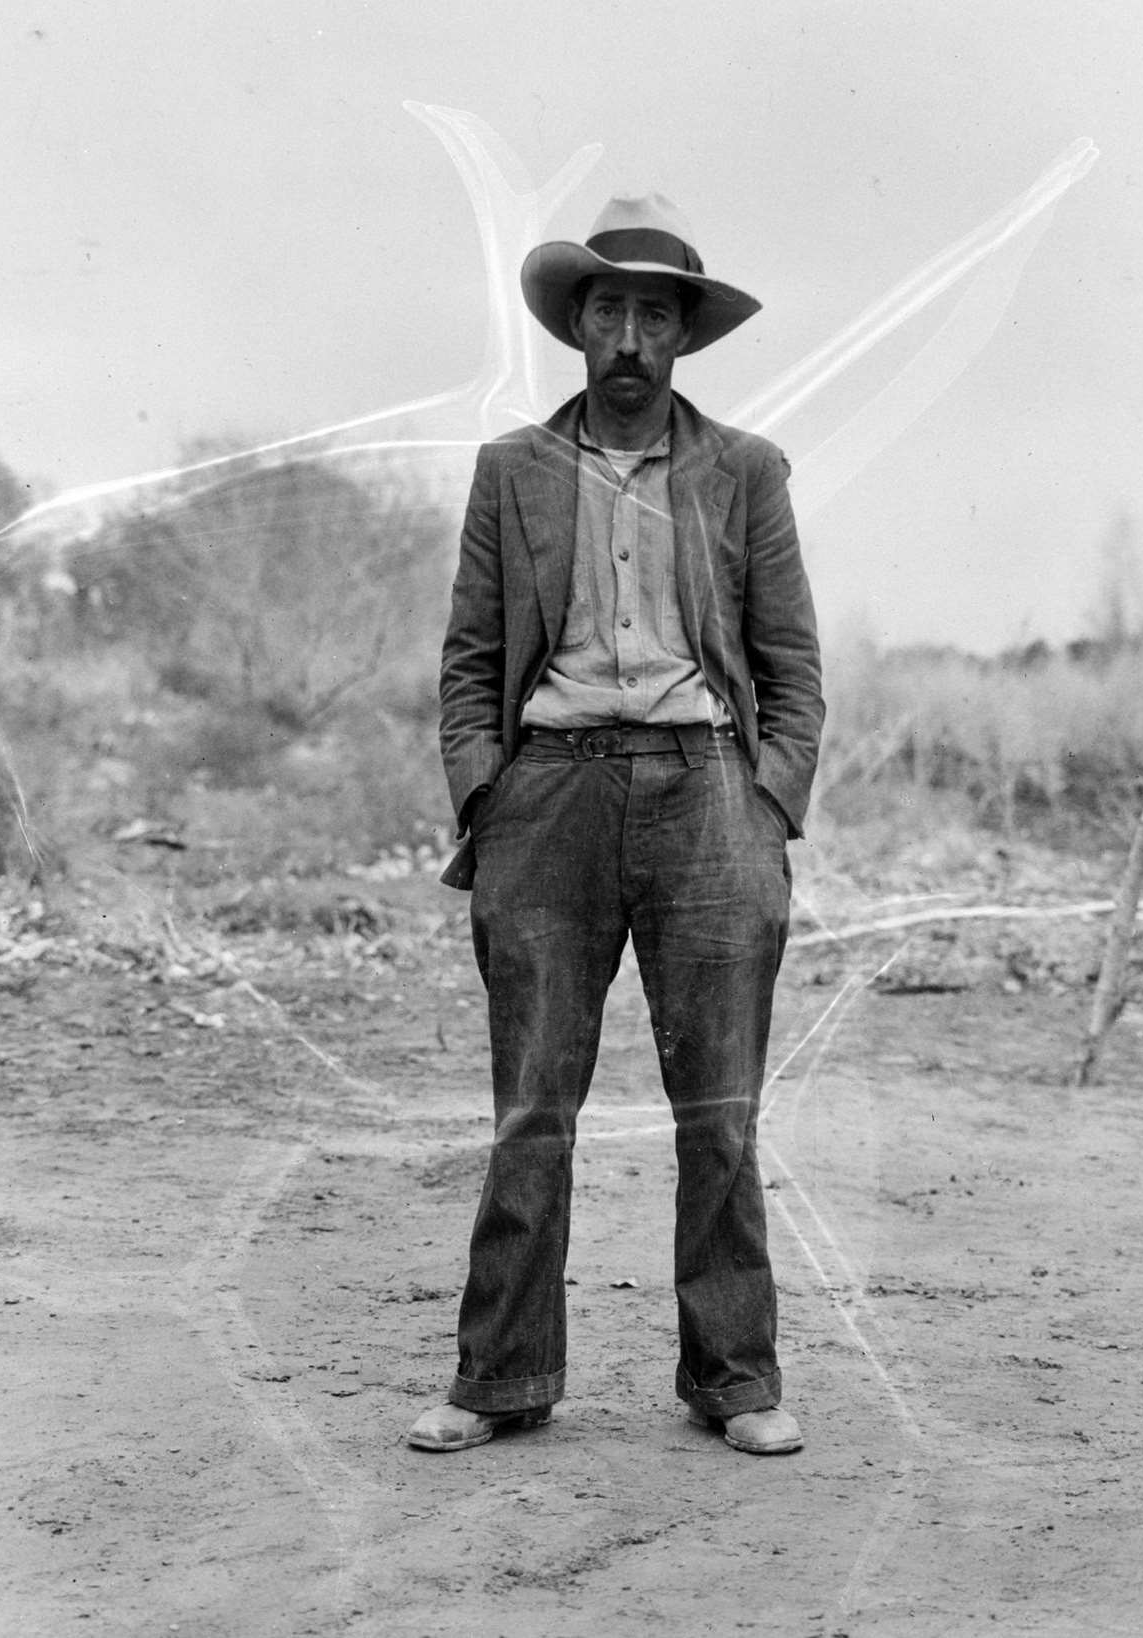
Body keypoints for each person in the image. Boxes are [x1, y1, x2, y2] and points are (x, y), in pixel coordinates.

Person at [406, 194, 824, 1456]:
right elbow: (468, 661)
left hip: (707, 796)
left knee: (721, 1110)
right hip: (549, 796)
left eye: (654, 313)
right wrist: (488, 789)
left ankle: (734, 1380)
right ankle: (500, 1383)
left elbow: (790, 663)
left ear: (682, 336)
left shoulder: (743, 471)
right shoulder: (511, 472)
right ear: (575, 329)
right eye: (609, 310)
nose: (630, 336)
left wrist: (765, 804)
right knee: (532, 1108)